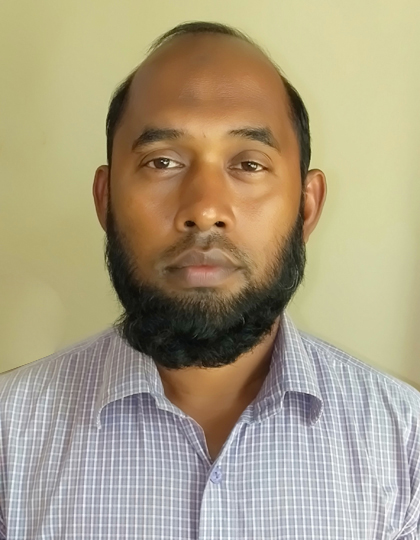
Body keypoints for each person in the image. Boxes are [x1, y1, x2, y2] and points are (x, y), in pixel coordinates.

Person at [0, 21, 419, 540]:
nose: (204, 209)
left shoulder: (406, 446)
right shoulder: (9, 440)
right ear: (105, 201)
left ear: (307, 207)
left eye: (249, 164)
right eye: (162, 161)